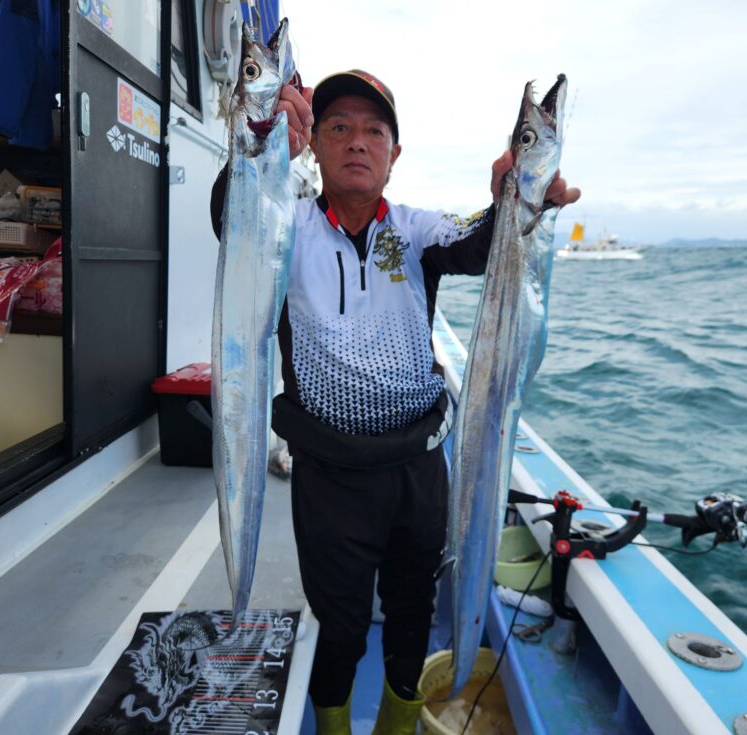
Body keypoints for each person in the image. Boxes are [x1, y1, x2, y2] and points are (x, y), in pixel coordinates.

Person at [211, 70, 579, 735]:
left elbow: (481, 241)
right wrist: (261, 149)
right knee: (342, 624)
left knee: (412, 614)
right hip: (329, 476)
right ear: (313, 145)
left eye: (374, 131)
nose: (357, 141)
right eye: (338, 127)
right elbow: (229, 216)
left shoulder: (415, 230)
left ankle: (397, 726)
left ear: (394, 154)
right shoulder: (283, 225)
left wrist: (516, 198)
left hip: (417, 469)